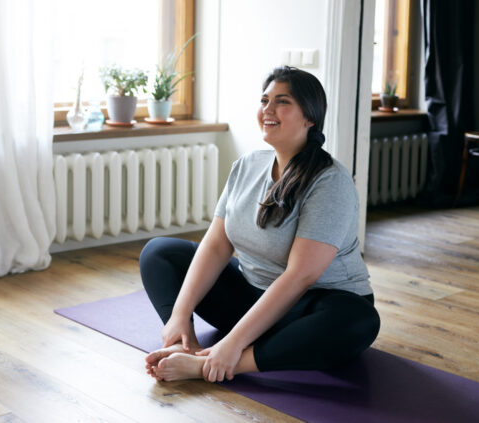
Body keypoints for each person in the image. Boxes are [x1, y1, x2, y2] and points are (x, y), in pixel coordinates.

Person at [140, 66, 380, 383]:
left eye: (282, 102)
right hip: (250, 297)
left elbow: (299, 277)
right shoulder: (247, 165)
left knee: (358, 322)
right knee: (159, 251)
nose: (267, 109)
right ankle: (186, 345)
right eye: (264, 100)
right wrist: (179, 315)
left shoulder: (330, 182)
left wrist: (231, 346)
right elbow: (215, 245)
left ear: (310, 117)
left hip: (308, 307)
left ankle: (218, 364)